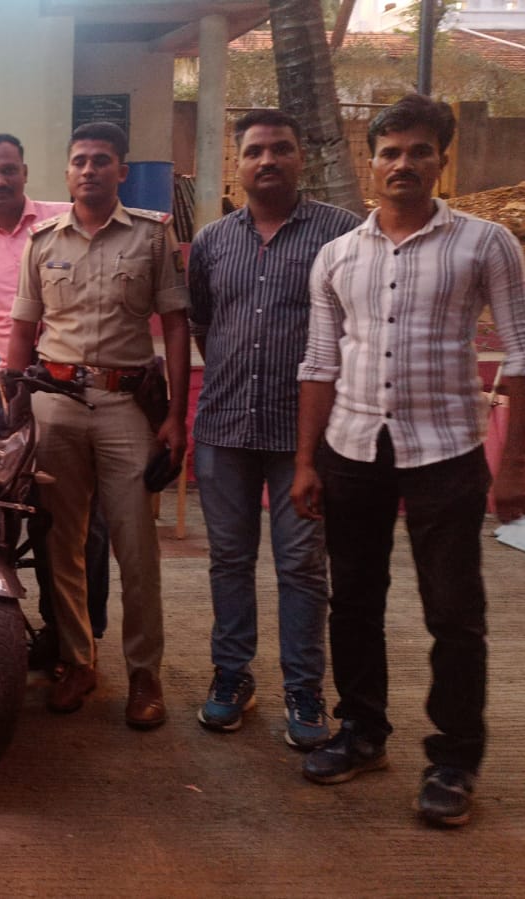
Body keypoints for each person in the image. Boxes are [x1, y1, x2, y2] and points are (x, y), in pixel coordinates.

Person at [292, 93, 525, 828]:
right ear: (370, 162)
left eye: (418, 151)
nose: (402, 164)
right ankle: (361, 732)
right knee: (353, 600)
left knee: (453, 612)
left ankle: (453, 759)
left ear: (440, 160)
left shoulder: (485, 244)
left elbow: (520, 354)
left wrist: (515, 465)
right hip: (352, 448)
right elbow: (319, 363)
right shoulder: (337, 255)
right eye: (389, 152)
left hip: (446, 451)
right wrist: (305, 462)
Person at [5, 122, 190, 729]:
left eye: (101, 160)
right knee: (61, 544)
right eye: (80, 160)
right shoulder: (41, 241)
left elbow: (176, 325)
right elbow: (23, 330)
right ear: (67, 173)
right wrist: (12, 409)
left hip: (124, 406)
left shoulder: (152, 235)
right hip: (54, 405)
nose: (89, 169)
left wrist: (176, 416)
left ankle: (144, 674)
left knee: (135, 546)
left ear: (121, 171)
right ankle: (78, 661)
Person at [187, 109, 359, 747]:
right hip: (225, 427)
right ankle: (232, 676)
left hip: (303, 437)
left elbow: (354, 330)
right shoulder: (211, 241)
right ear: (237, 163)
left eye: (281, 148)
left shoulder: (341, 234)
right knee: (229, 561)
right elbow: (204, 323)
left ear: (300, 157)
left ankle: (304, 688)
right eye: (255, 150)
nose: (268, 160)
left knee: (302, 566)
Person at [0, 133, 110, 652]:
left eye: (8, 169)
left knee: (79, 523)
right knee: (1, 508)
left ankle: (76, 639)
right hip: (14, 397)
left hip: (76, 388)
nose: (0, 180)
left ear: (25, 173)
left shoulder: (65, 219)